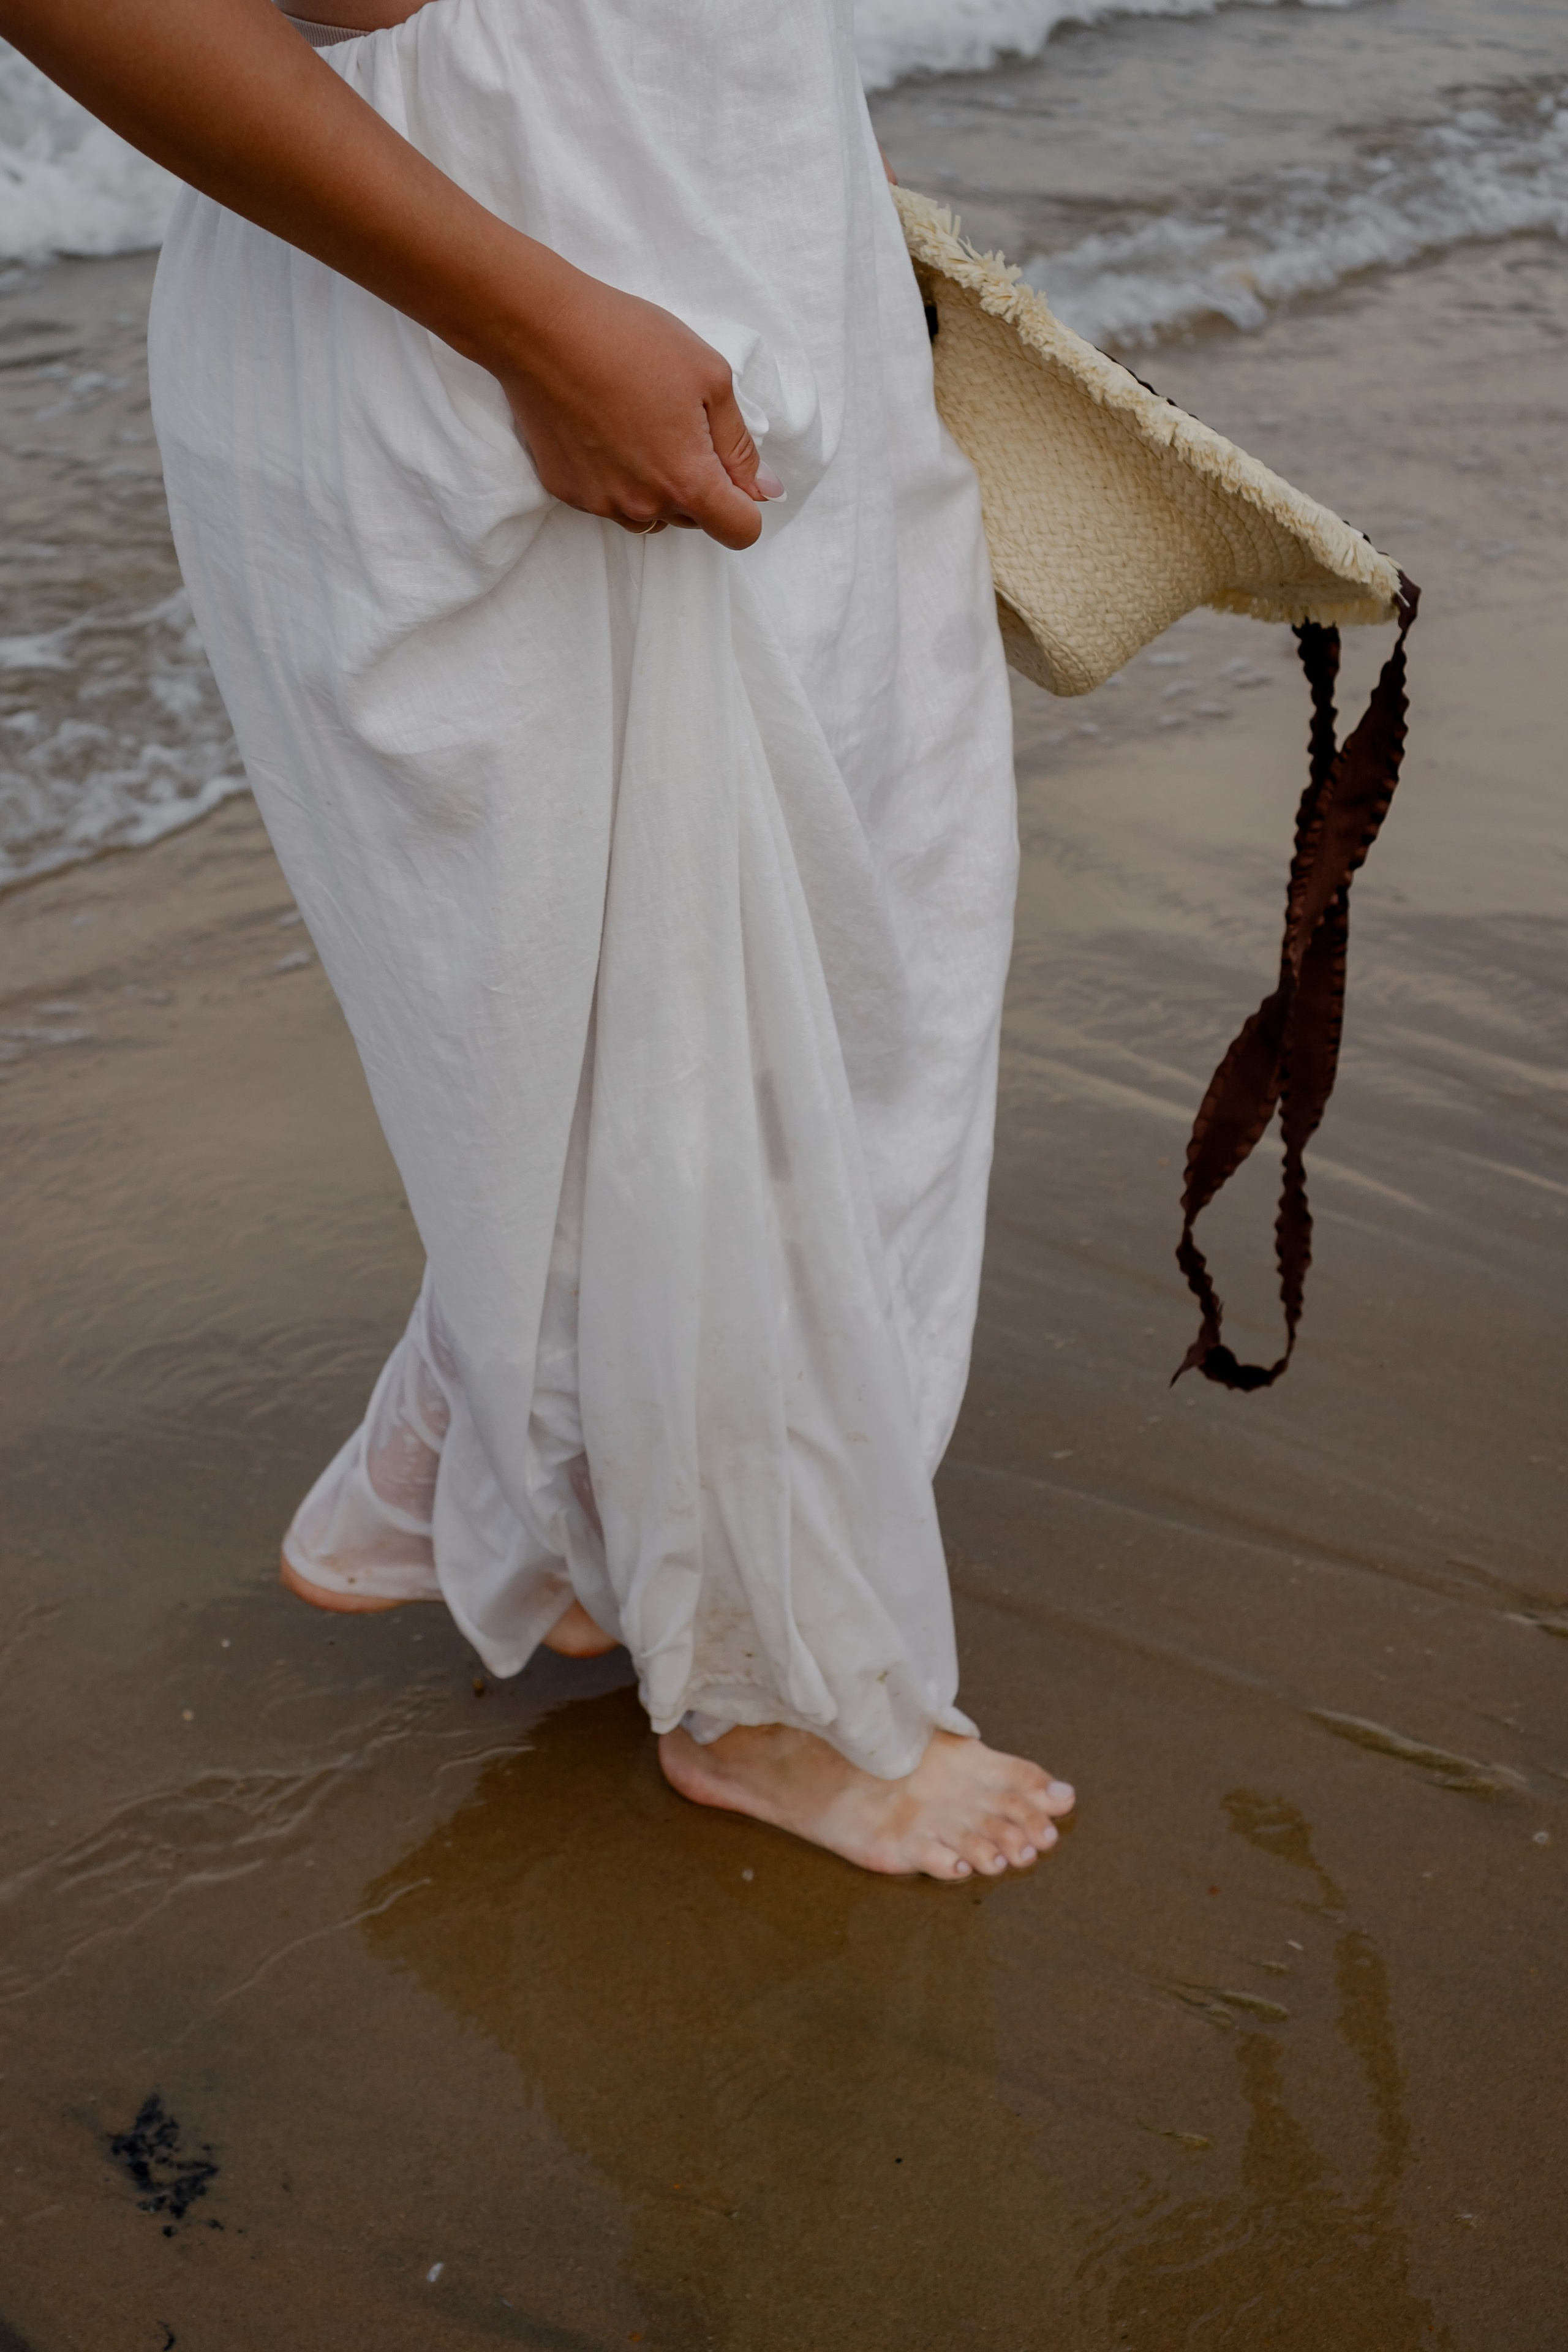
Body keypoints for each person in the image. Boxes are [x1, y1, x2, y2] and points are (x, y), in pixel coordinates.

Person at [6, 0, 1074, 1879]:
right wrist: (532, 320)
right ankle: (767, 1697)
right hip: (499, 297)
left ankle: (506, 1477)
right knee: (701, 1019)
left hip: (709, 245)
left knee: (818, 962)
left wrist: (830, 175)